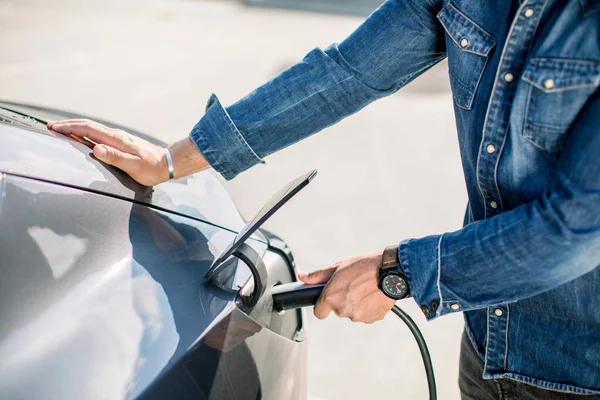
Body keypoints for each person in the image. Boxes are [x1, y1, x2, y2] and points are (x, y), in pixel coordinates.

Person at [47, 0, 600, 398]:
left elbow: (576, 229)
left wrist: (397, 272)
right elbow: (345, 72)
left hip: (579, 371)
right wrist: (173, 161)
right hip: (490, 342)